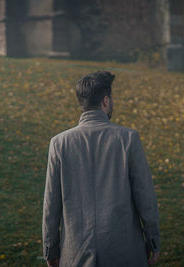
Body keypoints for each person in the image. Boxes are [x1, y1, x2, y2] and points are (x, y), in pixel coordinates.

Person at [42, 71, 160, 267]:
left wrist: (50, 249)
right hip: (125, 253)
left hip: (76, 253)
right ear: (106, 101)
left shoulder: (59, 143)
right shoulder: (128, 139)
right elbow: (145, 197)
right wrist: (153, 240)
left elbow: (51, 205)